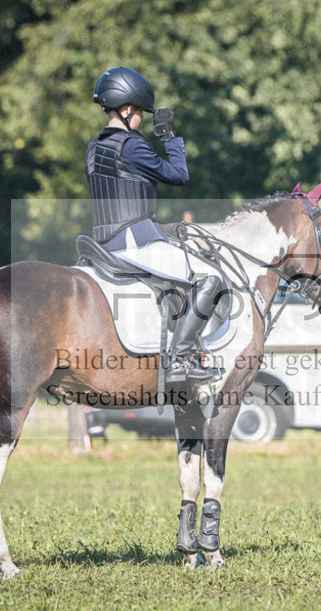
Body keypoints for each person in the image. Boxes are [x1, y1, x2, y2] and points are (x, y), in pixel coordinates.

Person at [85, 66, 223, 383]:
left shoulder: (93, 147)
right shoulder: (131, 145)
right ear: (127, 109)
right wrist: (168, 137)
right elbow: (179, 175)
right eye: (140, 113)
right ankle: (180, 359)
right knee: (210, 279)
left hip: (101, 244)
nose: (141, 119)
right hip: (134, 242)